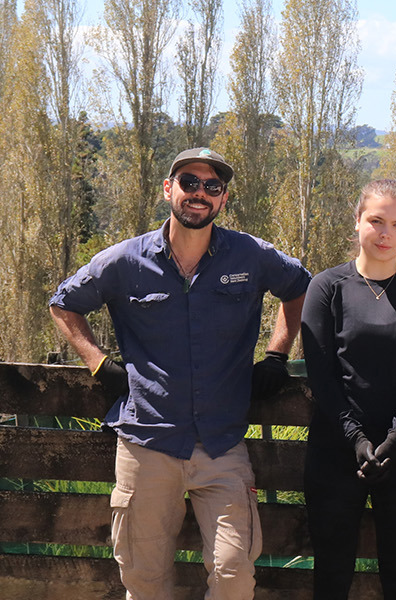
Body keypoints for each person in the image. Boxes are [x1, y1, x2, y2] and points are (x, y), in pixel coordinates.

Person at [49, 147, 310, 599]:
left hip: (222, 444)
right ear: (169, 189)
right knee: (144, 581)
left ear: (223, 199)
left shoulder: (249, 256)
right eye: (189, 182)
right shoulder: (126, 261)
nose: (200, 194)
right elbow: (63, 303)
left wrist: (276, 355)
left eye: (212, 186)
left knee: (234, 576)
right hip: (146, 443)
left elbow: (301, 289)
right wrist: (97, 361)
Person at [300, 179, 396, 599]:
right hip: (336, 453)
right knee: (331, 575)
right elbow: (321, 377)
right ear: (358, 222)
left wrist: (394, 439)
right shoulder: (327, 288)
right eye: (377, 221)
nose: (386, 234)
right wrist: (356, 439)